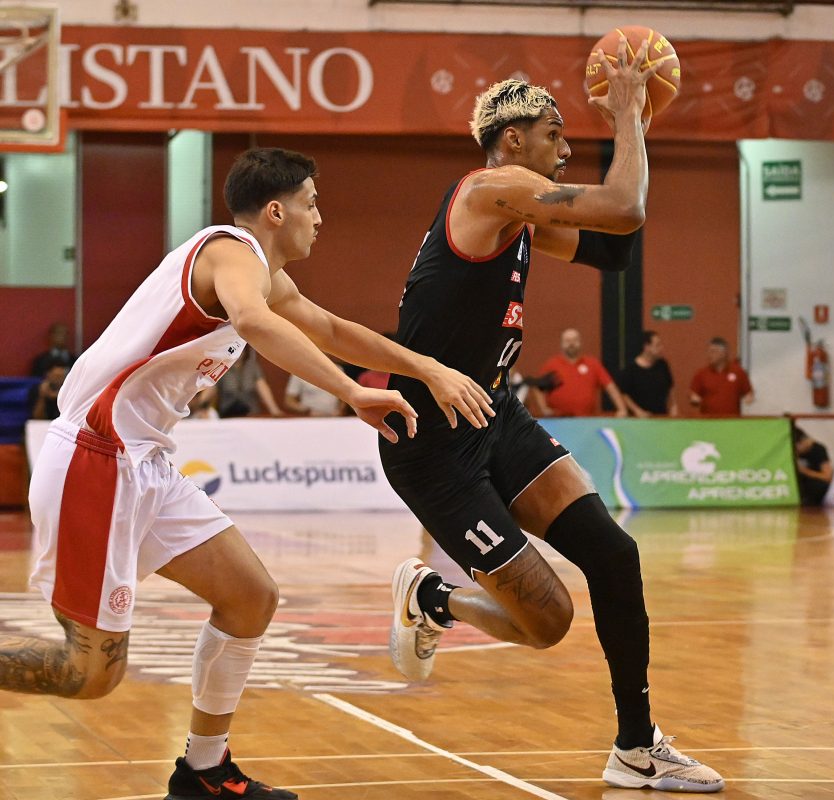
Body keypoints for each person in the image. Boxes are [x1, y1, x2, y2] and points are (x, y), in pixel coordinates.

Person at [8, 147, 493, 800]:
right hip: (96, 459)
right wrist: (352, 393)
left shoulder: (263, 276)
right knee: (88, 674)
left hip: (144, 462)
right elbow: (253, 322)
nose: (319, 217)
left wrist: (426, 369)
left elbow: (329, 329)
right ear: (275, 211)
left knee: (249, 598)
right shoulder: (228, 250)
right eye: (311, 203)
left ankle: (204, 772)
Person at [377, 51, 723, 792]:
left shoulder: (524, 215)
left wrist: (639, 131)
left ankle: (637, 746)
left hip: (493, 413)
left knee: (615, 555)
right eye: (554, 134)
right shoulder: (491, 189)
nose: (565, 149)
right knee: (548, 621)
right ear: (512, 140)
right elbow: (623, 208)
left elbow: (615, 248)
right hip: (432, 447)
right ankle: (434, 598)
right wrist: (626, 118)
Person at [533, 327, 628, 417]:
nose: (571, 344)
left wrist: (622, 409)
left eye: (574, 340)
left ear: (580, 342)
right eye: (567, 341)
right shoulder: (551, 365)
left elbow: (610, 386)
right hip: (558, 420)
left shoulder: (593, 364)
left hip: (586, 420)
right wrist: (544, 409)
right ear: (561, 344)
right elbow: (538, 388)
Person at [688, 336, 753, 416]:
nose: (710, 355)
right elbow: (693, 395)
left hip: (732, 420)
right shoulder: (701, 374)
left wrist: (749, 399)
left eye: (713, 351)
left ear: (723, 353)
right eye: (709, 351)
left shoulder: (738, 372)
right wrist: (693, 399)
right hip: (708, 420)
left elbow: (748, 393)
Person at [620, 330, 676, 417]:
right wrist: (637, 411)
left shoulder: (663, 365)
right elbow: (623, 394)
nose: (661, 348)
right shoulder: (631, 369)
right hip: (639, 419)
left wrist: (673, 406)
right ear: (647, 347)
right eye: (657, 345)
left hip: (661, 416)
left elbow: (670, 387)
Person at [217, 346, 284, 418]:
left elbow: (262, 387)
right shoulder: (221, 367)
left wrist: (274, 409)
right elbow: (211, 388)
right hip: (227, 414)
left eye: (240, 350)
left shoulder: (253, 367)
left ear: (245, 351)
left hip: (251, 413)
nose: (237, 353)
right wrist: (206, 406)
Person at [792, 424, 832, 506]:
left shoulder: (818, 450)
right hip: (801, 484)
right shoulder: (795, 452)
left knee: (819, 487)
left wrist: (805, 471)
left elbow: (827, 477)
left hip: (814, 484)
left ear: (802, 441)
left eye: (795, 448)